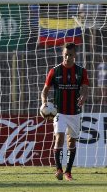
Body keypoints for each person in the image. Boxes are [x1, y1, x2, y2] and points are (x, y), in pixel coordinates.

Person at [41, 42, 89, 181]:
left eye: (70, 55)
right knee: (59, 137)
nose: (67, 57)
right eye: (65, 55)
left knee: (71, 142)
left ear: (75, 55)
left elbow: (85, 89)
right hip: (59, 112)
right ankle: (58, 170)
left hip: (75, 112)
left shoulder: (81, 71)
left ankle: (68, 172)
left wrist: (84, 97)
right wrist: (44, 102)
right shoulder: (54, 71)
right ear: (63, 54)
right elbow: (44, 91)